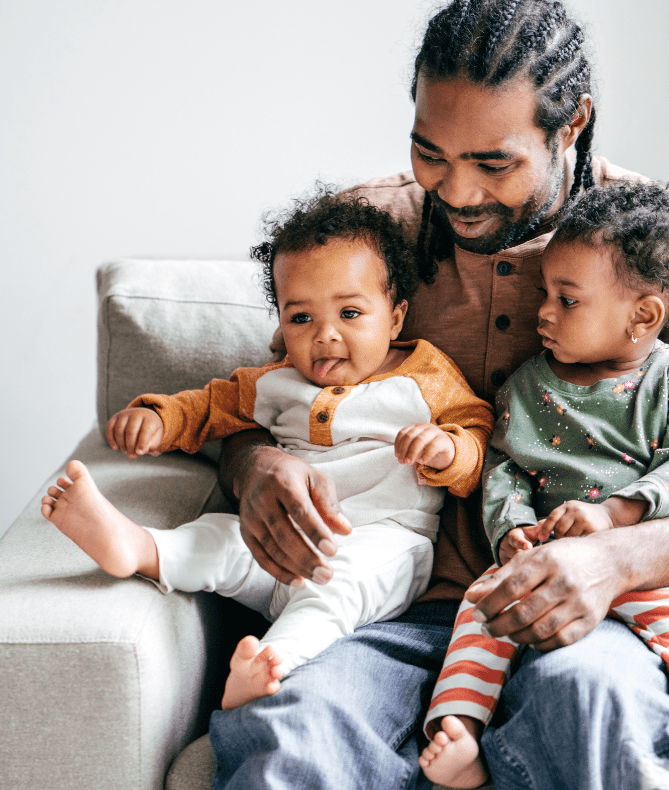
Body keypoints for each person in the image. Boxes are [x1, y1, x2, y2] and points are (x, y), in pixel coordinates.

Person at [210, 1, 669, 790]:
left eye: (493, 164)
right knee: (291, 741)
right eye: (430, 152)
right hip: (380, 605)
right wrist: (257, 467)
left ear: (572, 126)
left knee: (598, 712)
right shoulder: (366, 234)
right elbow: (259, 409)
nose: (456, 193)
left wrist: (612, 559)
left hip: (594, 609)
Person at [41, 189, 494, 711]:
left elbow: (476, 429)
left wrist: (446, 449)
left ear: (394, 318)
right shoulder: (273, 382)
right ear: (280, 322)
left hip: (385, 545)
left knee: (338, 588)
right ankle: (140, 549)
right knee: (220, 537)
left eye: (350, 313)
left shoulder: (425, 375)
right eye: (301, 318)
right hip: (278, 546)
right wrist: (156, 417)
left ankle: (273, 660)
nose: (325, 336)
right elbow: (207, 407)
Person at [418, 180, 669, 790]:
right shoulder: (525, 387)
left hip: (655, 567)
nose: (542, 312)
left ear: (643, 316)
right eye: (545, 292)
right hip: (549, 564)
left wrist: (620, 514)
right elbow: (504, 468)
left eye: (566, 301)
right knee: (481, 608)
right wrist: (510, 528)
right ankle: (460, 729)